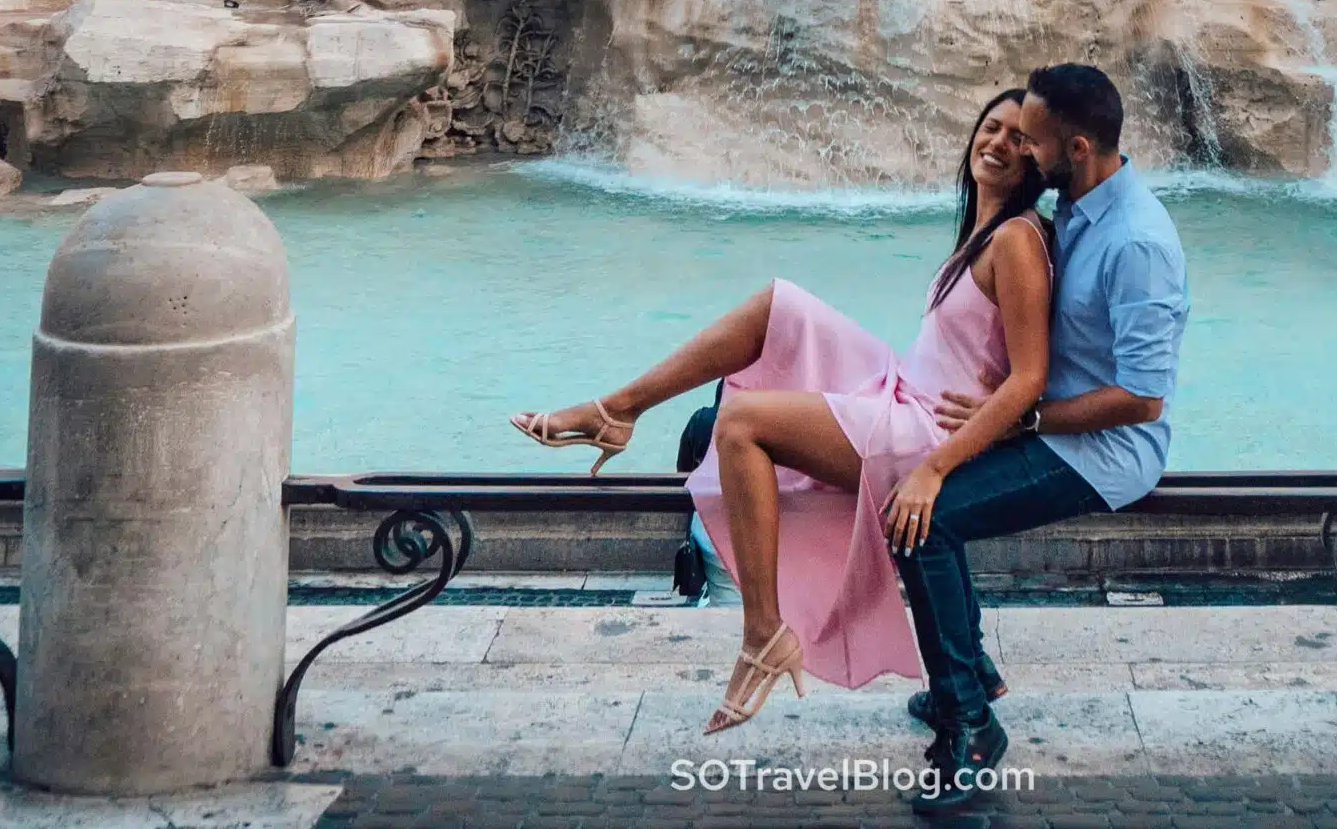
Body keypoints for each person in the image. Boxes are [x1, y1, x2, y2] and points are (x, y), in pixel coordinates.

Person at [509, 91, 1054, 738]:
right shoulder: (984, 232)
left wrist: (998, 429)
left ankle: (762, 634)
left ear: (1038, 159)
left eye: (1018, 138)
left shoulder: (1017, 239)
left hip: (927, 427)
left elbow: (1031, 374)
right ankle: (616, 410)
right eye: (991, 126)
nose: (998, 143)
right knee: (779, 307)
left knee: (739, 425)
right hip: (903, 388)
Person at [897, 62, 1189, 815]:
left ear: (1079, 148)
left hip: (1102, 455)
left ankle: (969, 721)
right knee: (915, 504)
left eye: (1032, 141)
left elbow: (1143, 401)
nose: (1021, 152)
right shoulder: (1079, 210)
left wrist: (1022, 418)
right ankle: (967, 678)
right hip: (1044, 426)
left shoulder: (1137, 243)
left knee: (928, 520)